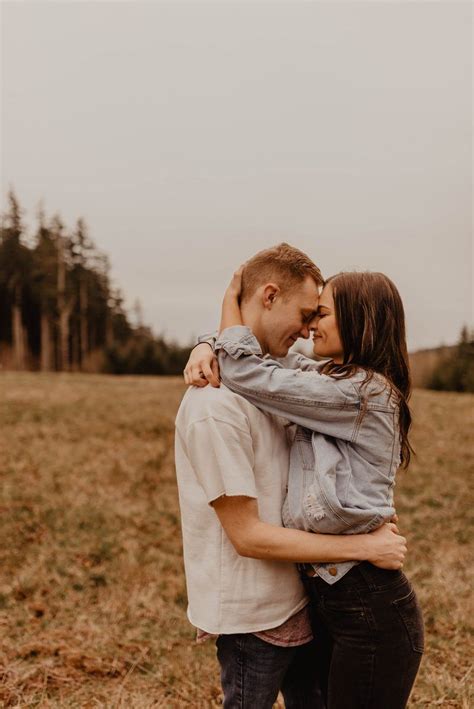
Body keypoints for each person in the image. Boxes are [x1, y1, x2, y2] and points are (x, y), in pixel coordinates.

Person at [176, 243, 407, 709]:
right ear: (267, 295)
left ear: (360, 322)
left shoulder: (357, 390)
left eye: (320, 315)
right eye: (308, 313)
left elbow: (256, 371)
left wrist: (224, 315)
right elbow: (262, 367)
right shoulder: (223, 405)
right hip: (311, 595)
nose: (309, 330)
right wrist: (208, 339)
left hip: (354, 598)